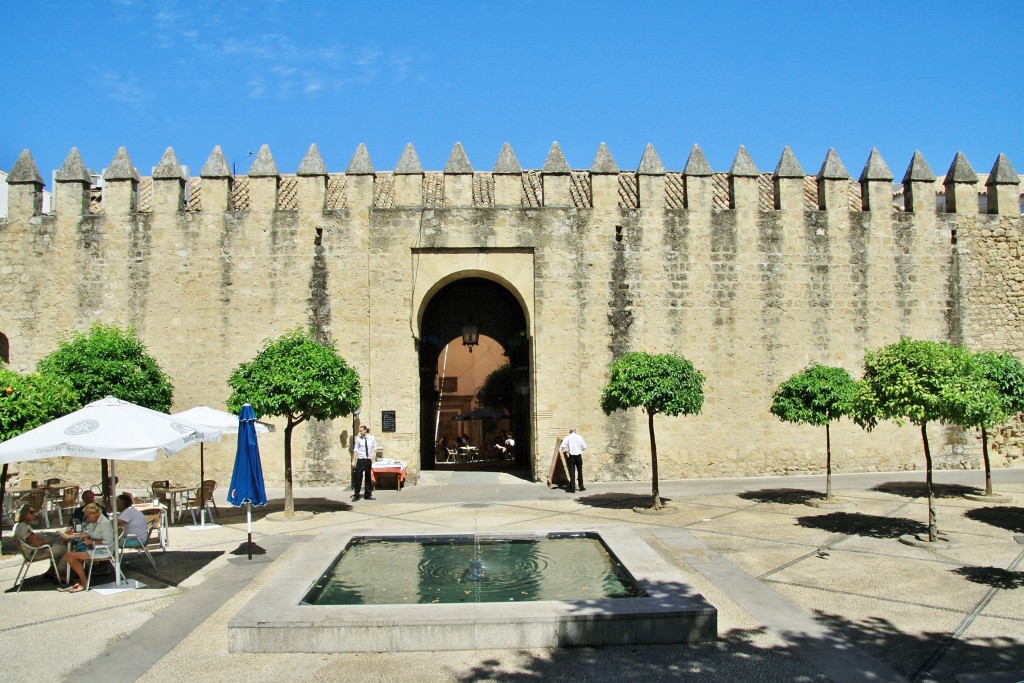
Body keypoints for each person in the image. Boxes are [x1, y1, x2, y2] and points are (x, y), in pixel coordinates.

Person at [63, 502, 115, 592]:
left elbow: (108, 542)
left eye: (87, 516)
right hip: (93, 548)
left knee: (70, 556)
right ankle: (82, 579)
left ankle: (84, 582)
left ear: (94, 513)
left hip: (102, 551)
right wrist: (86, 536)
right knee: (70, 555)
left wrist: (92, 542)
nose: (87, 518)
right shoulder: (94, 521)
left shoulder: (105, 523)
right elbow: (90, 533)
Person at [13, 503, 68, 583]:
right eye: (31, 512)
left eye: (34, 512)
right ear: (24, 514)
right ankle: (59, 573)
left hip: (29, 552)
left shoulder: (17, 525)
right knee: (67, 549)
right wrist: (47, 542)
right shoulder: (25, 527)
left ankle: (51, 571)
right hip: (34, 553)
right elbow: (37, 544)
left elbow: (32, 540)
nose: (34, 514)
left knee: (58, 546)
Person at [351, 425, 378, 501]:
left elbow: (375, 447)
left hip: (368, 460)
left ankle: (368, 495)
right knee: (358, 477)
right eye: (360, 431)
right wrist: (353, 460)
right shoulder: (358, 439)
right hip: (361, 459)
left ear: (365, 430)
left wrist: (373, 454)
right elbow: (356, 449)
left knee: (368, 477)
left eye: (361, 431)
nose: (360, 432)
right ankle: (356, 495)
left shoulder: (372, 438)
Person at [560, 427, 588, 493]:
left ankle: (572, 488)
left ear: (570, 432)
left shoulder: (568, 437)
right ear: (575, 431)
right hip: (578, 456)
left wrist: (566, 451)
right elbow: (584, 446)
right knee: (580, 471)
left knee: (572, 472)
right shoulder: (579, 437)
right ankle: (581, 486)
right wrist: (580, 450)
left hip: (571, 456)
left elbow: (562, 445)